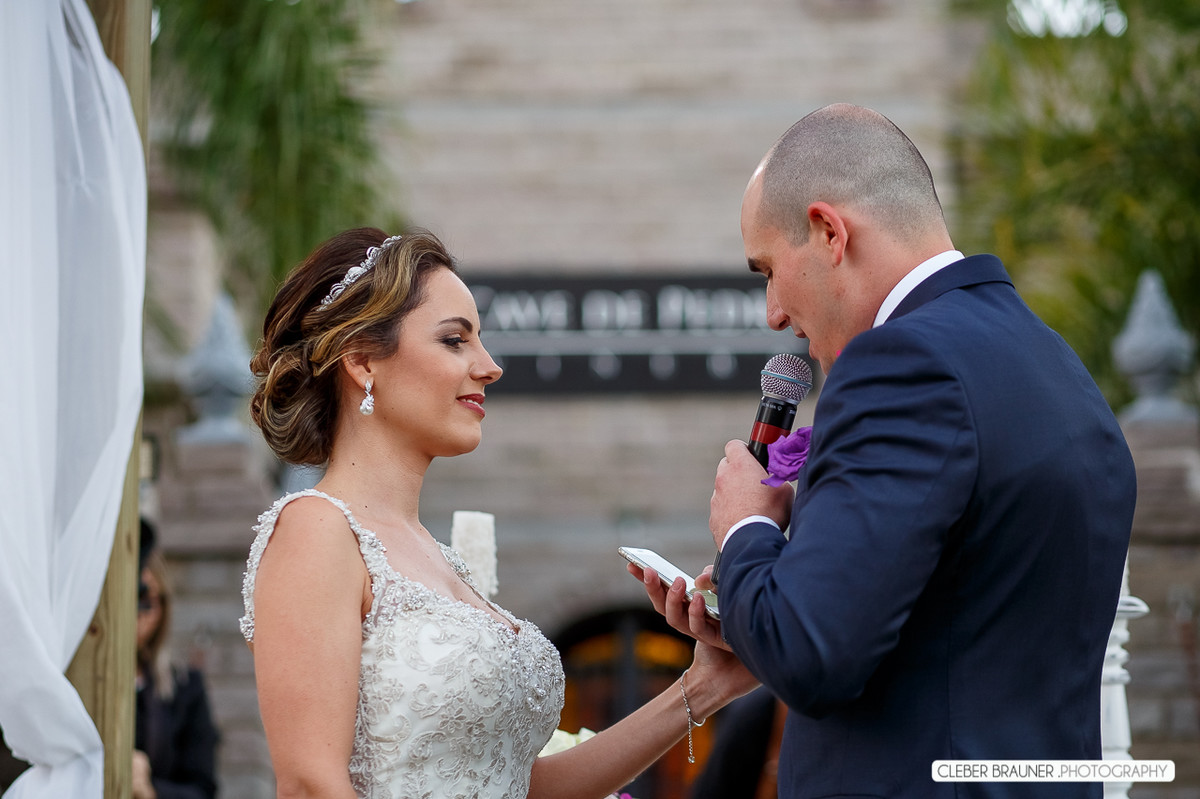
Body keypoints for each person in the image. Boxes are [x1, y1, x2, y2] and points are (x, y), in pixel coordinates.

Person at [640, 103, 1137, 798]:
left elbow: (812, 654)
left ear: (828, 231)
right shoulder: (1055, 363)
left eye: (767, 270)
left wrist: (747, 526)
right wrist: (757, 607)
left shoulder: (901, 365)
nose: (773, 312)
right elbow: (957, 620)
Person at [239, 227, 759, 799]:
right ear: (363, 362)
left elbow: (522, 786)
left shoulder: (444, 562)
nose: (489, 366)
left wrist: (703, 689)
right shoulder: (316, 531)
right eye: (455, 340)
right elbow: (312, 785)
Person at [134, 521, 220, 799]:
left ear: (163, 608)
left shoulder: (184, 688)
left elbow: (202, 789)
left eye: (144, 598)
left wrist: (150, 790)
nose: (135, 612)